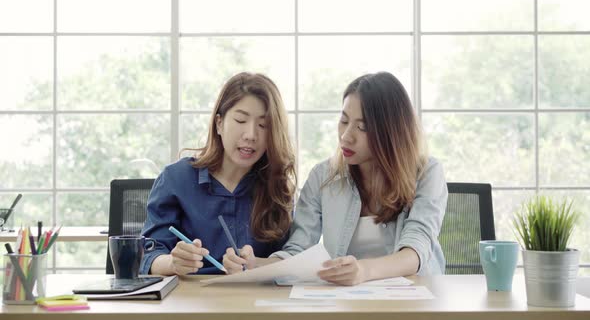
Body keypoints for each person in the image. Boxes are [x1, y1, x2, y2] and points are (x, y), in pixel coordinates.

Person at [223, 71, 448, 285]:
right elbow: (298, 249)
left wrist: (363, 270)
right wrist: (255, 266)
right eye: (344, 121)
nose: (346, 136)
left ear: (391, 131)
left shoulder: (427, 172)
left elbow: (416, 250)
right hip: (349, 302)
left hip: (416, 300)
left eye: (362, 127)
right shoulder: (323, 177)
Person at [140, 72, 296, 275]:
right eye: (240, 120)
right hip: (190, 302)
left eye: (263, 125)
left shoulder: (277, 187)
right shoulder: (176, 179)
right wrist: (172, 263)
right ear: (219, 123)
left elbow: (289, 261)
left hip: (254, 303)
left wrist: (255, 263)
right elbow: (148, 255)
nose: (251, 135)